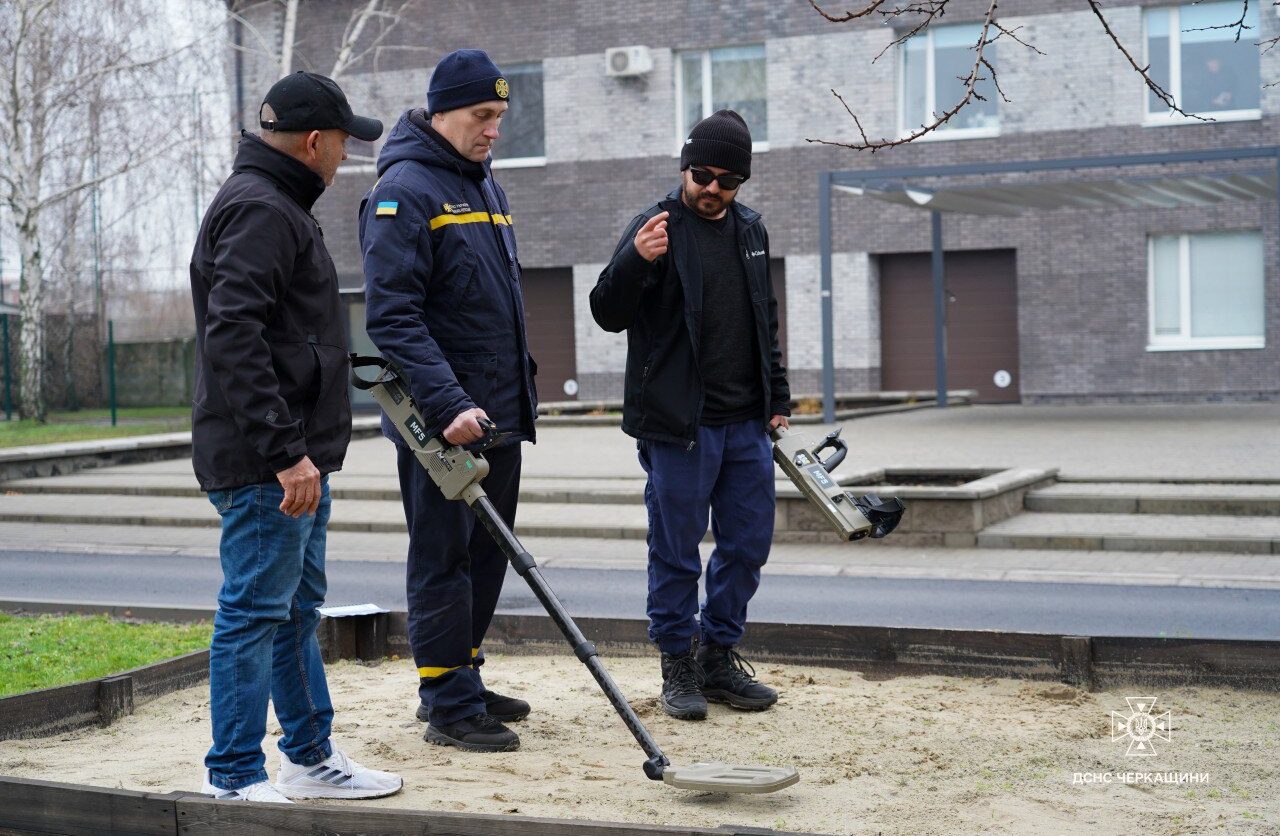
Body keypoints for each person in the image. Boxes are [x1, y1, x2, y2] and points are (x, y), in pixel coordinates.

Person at [189, 71, 401, 802]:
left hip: (290, 458)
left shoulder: (275, 202)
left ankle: (309, 759)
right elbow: (233, 337)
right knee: (253, 612)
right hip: (267, 464)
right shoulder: (261, 210)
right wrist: (285, 454)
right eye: (344, 143)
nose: (347, 158)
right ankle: (236, 777)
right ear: (315, 141)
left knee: (295, 612)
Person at [360, 49, 537, 753]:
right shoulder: (405, 190)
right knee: (443, 559)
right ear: (441, 113)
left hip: (497, 413)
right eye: (480, 116)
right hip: (446, 425)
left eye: (498, 117)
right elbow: (393, 317)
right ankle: (446, 704)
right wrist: (446, 405)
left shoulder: (482, 184)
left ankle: (462, 674)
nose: (493, 129)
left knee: (489, 556)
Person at [590, 110, 790, 722]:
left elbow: (765, 320)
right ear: (685, 167)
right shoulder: (655, 227)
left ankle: (718, 656)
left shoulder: (750, 230)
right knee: (676, 550)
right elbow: (606, 310)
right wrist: (636, 260)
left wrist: (777, 398)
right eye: (702, 174)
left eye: (727, 181)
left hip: (746, 423)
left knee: (748, 543)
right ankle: (677, 663)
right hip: (678, 425)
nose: (712, 188)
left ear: (741, 185)